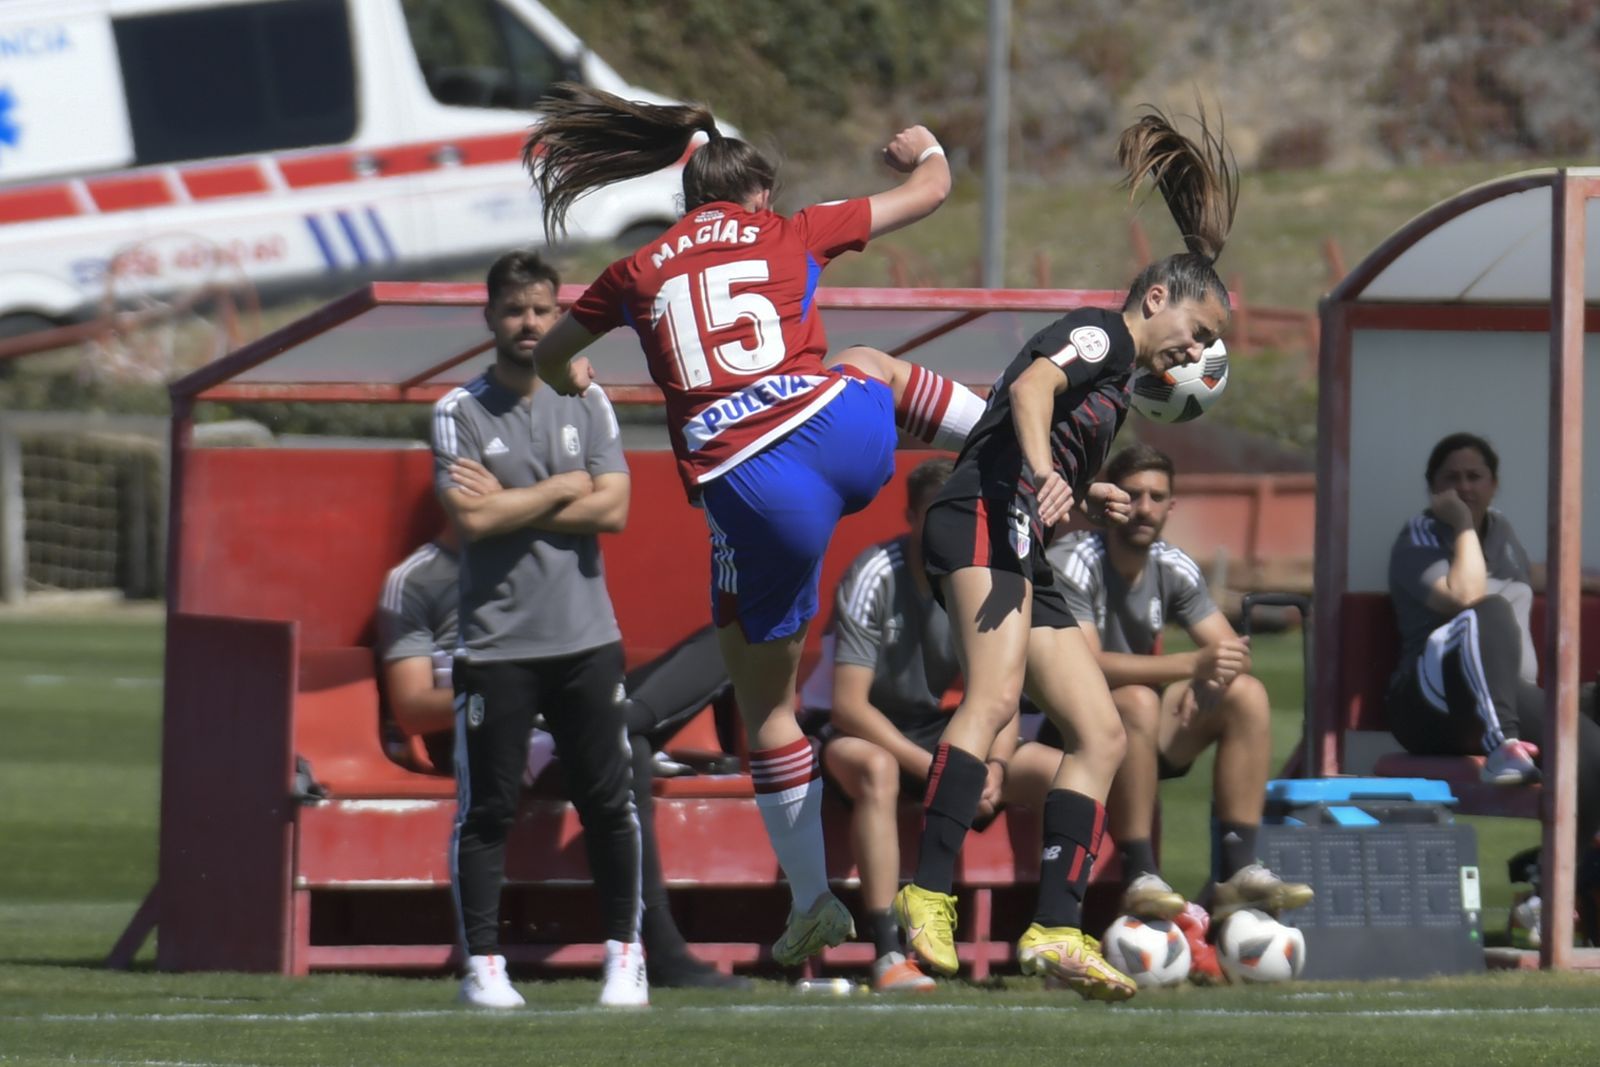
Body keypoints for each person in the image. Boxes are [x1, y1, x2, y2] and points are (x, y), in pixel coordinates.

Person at [522, 83, 990, 967]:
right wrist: (923, 144)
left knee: (765, 702)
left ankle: (814, 900)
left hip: (753, 488)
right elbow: (932, 191)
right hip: (842, 438)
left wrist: (569, 378)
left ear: (688, 201)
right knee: (867, 363)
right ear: (759, 195)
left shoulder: (636, 269)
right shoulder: (792, 229)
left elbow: (550, 353)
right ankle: (1017, 439)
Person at [893, 107, 1238, 1001]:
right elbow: (1033, 391)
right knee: (998, 694)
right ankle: (926, 892)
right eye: (1197, 335)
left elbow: (1043, 434)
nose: (1196, 354)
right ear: (1156, 297)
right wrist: (1050, 473)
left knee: (1104, 733)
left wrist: (1090, 491)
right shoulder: (1101, 334)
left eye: (1206, 348)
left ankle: (1053, 927)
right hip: (974, 517)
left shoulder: (1124, 381)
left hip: (1020, 542)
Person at [376, 529, 751, 991]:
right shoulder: (415, 578)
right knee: (624, 751)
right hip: (503, 730)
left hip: (576, 713)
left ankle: (619, 721)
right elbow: (410, 707)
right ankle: (664, 950)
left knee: (741, 634)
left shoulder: (547, 565)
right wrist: (510, 693)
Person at [431, 249, 646, 1010]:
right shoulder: (457, 411)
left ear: (561, 314)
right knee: (487, 810)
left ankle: (626, 951)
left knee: (607, 802)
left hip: (587, 639)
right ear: (489, 316)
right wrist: (563, 485)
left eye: (543, 310)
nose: (530, 323)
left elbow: (614, 510)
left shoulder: (590, 399)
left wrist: (521, 498)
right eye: (516, 310)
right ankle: (483, 966)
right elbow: (474, 518)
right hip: (495, 648)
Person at [799, 455, 1071, 992]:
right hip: (858, 733)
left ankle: (1055, 936)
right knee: (877, 769)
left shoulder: (986, 577)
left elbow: (1004, 691)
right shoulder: (875, 573)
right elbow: (849, 706)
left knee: (1053, 770)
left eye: (965, 515)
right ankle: (886, 953)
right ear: (910, 515)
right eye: (938, 514)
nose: (952, 528)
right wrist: (946, 771)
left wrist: (993, 765)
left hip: (937, 731)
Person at [1047, 444, 1312, 980]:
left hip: (1137, 728)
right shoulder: (1073, 558)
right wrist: (1192, 665)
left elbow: (1229, 651)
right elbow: (1086, 666)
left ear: (1172, 507)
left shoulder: (1172, 563)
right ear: (1109, 501)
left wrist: (1218, 672)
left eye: (1157, 497)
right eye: (1133, 495)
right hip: (1063, 733)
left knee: (1248, 695)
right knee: (1136, 701)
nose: (1144, 508)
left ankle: (1238, 872)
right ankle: (1141, 872)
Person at [1386, 432, 1600, 940]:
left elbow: (1534, 574)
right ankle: (1503, 742)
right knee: (1488, 610)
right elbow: (1467, 592)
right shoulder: (1418, 536)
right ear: (1432, 489)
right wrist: (1460, 526)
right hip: (1427, 702)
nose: (1464, 487)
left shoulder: (1502, 534)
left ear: (1494, 483)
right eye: (1451, 478)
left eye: (1474, 476)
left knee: (1590, 750)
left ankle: (1553, 892)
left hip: (1497, 697)